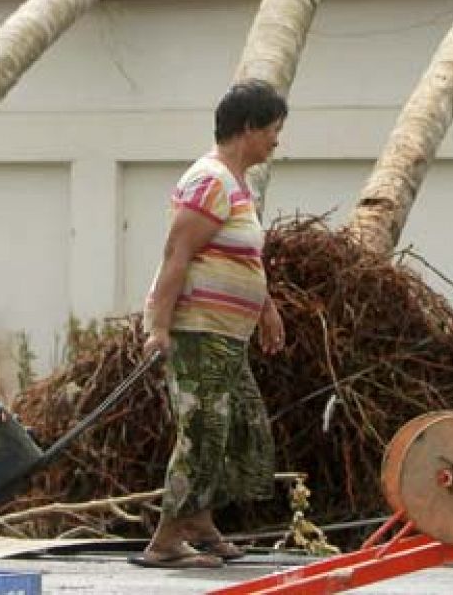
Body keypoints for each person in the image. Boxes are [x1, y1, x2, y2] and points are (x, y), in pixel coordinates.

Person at [131, 80, 288, 569]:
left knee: (241, 427)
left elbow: (240, 257)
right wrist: (157, 324)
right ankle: (164, 542)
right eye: (273, 130)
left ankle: (198, 521)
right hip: (199, 331)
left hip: (227, 334)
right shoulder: (211, 179)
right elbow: (177, 254)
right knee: (203, 430)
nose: (277, 141)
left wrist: (265, 307)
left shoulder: (235, 185)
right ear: (247, 128)